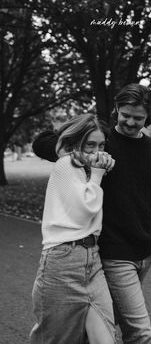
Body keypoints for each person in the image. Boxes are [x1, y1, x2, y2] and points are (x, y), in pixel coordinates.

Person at [33, 84, 151, 343]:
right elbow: (41, 143)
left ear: (150, 116)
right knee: (140, 333)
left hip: (146, 251)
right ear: (116, 110)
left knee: (104, 325)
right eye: (125, 115)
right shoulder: (101, 142)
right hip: (114, 253)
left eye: (138, 118)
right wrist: (87, 156)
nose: (131, 122)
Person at [30, 114, 116, 344]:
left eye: (101, 145)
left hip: (92, 260)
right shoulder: (66, 165)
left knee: (105, 340)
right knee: (56, 339)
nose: (96, 151)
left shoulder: (84, 167)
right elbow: (85, 208)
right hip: (62, 262)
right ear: (76, 143)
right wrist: (98, 173)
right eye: (90, 145)